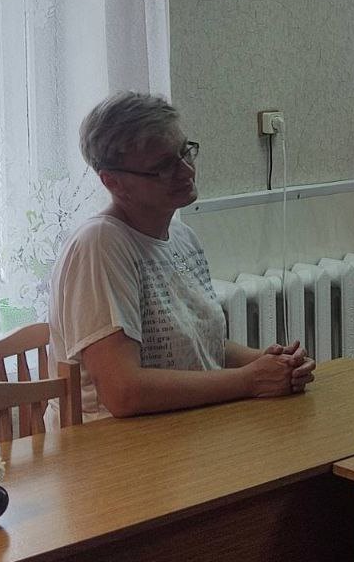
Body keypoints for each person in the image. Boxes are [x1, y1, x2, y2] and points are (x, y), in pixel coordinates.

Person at [47, 91, 315, 422]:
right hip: (114, 444)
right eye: (162, 167)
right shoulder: (100, 244)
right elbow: (123, 392)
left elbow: (200, 347)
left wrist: (272, 363)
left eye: (185, 152)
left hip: (187, 427)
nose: (186, 170)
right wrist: (251, 380)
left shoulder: (181, 236)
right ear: (113, 182)